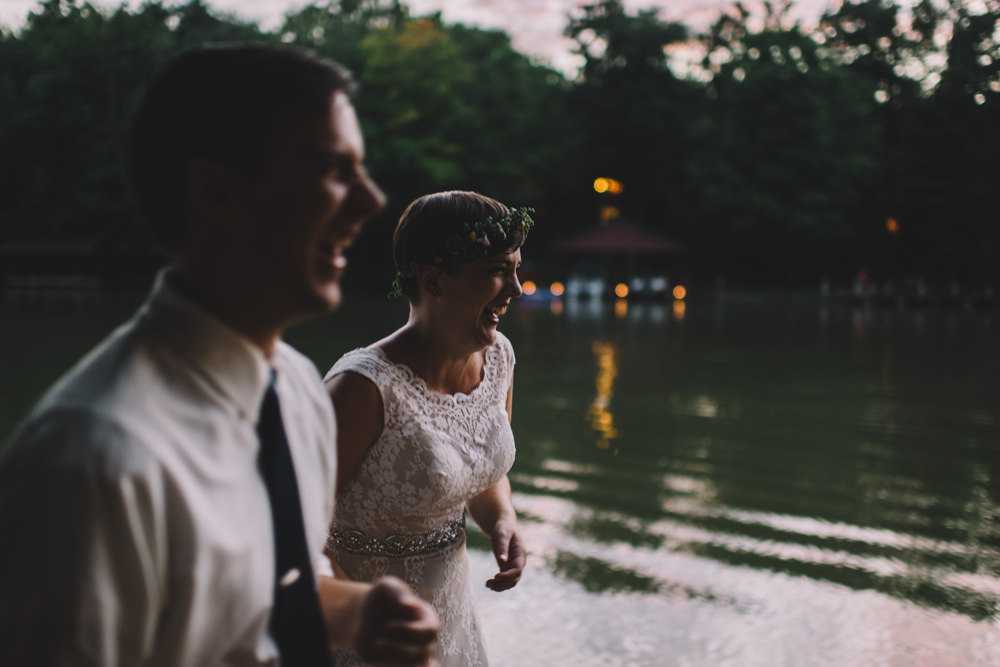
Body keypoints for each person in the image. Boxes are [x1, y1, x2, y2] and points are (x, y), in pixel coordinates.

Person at [0, 44, 439, 666]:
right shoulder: (93, 464)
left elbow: (269, 594)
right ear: (215, 191)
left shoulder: (297, 386)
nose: (370, 201)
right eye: (333, 169)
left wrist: (357, 611)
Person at [323, 191, 531, 666]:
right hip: (367, 630)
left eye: (517, 267)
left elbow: (480, 468)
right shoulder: (361, 387)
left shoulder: (499, 358)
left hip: (452, 616)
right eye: (498, 269)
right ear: (434, 279)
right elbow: (288, 527)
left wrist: (502, 519)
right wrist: (357, 623)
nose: (517, 288)